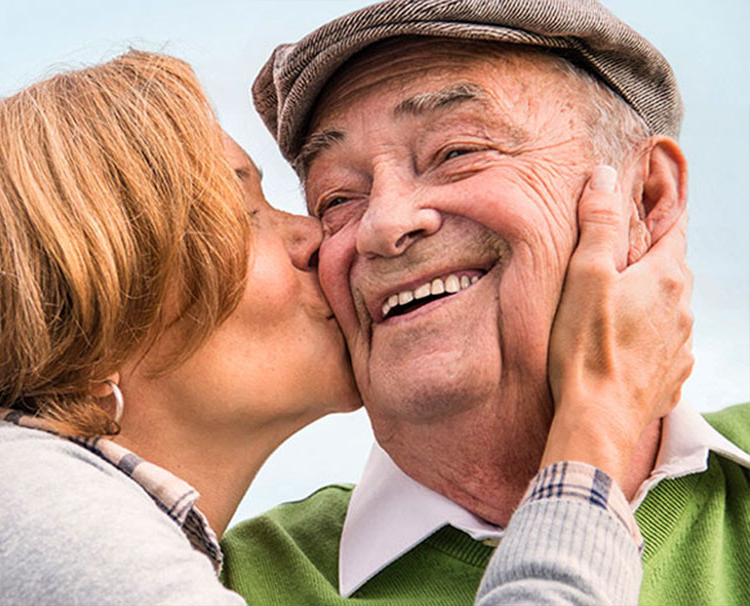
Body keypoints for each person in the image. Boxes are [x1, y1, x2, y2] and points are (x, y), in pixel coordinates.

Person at [0, 49, 689, 605]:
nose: (327, 237)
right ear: (91, 295)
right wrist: (595, 433)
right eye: (248, 208)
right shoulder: (3, 504)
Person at [220, 1, 750, 604]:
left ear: (646, 198)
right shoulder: (221, 585)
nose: (382, 225)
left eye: (456, 152)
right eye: (337, 197)